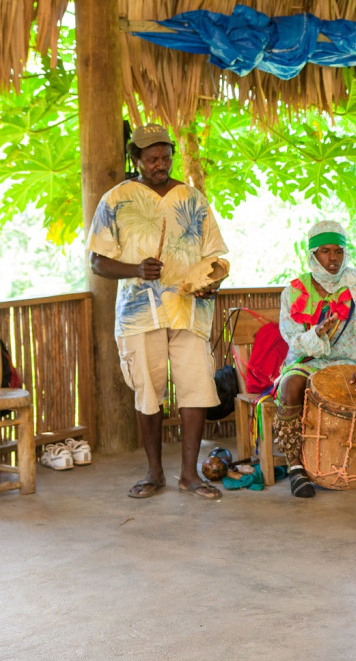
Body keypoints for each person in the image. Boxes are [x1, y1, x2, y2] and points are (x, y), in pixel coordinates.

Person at [87, 123, 228, 500]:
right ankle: (154, 473)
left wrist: (211, 283)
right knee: (148, 393)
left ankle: (190, 476)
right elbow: (97, 262)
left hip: (189, 311)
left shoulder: (192, 198)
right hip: (140, 315)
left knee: (196, 390)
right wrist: (135, 269)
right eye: (152, 159)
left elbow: (215, 258)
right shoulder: (116, 199)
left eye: (165, 158)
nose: (160, 165)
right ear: (135, 159)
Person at [272, 220, 356, 497]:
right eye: (325, 251)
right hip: (312, 362)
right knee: (290, 386)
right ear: (313, 254)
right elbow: (292, 338)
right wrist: (317, 333)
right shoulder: (294, 291)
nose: (333, 258)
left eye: (338, 251)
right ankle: (295, 466)